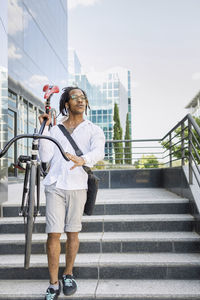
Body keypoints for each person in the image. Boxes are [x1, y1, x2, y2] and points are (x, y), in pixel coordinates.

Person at [38, 87, 105, 300]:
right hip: (55, 185)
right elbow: (45, 156)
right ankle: (53, 284)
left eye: (83, 97)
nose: (80, 100)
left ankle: (68, 274)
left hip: (78, 185)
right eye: (75, 97)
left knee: (73, 232)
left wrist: (83, 159)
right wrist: (44, 128)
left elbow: (98, 151)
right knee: (53, 234)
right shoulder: (56, 130)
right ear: (66, 103)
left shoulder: (93, 129)